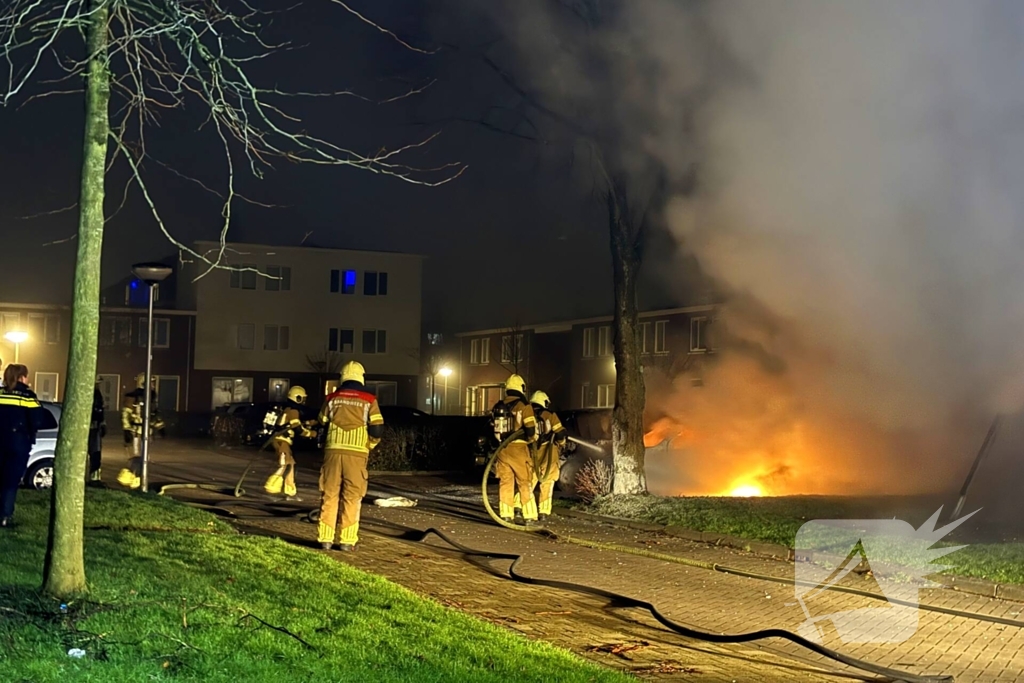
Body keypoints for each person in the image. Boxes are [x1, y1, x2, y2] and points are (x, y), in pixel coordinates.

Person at [316, 361, 384, 551]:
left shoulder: (332, 398)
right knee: (352, 497)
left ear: (342, 377)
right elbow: (377, 428)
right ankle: (346, 541)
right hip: (357, 453)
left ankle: (325, 540)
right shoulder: (369, 399)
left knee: (329, 494)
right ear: (361, 377)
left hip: (333, 452)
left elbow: (321, 421)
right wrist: (369, 444)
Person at [0, 364, 46, 527]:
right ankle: (5, 517)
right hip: (18, 443)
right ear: (21, 377)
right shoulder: (27, 396)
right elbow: (38, 420)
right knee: (11, 481)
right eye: (26, 376)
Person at [493, 374, 538, 525]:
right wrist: (532, 438)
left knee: (505, 482)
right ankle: (530, 516)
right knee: (525, 482)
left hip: (502, 450)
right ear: (521, 388)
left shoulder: (499, 405)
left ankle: (506, 515)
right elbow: (530, 430)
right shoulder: (524, 406)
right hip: (518, 448)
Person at [264, 386, 315, 500]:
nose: (303, 401)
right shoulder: (293, 410)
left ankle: (289, 492)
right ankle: (271, 489)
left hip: (283, 441)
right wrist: (312, 434)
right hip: (282, 441)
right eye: (302, 398)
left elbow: (293, 423)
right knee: (284, 465)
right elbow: (298, 429)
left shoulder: (288, 409)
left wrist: (308, 423)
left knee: (290, 464)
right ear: (297, 398)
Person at [117, 374, 163, 489]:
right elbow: (125, 414)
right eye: (151, 382)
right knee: (136, 457)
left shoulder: (152, 396)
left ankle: (139, 480)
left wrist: (160, 426)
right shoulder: (133, 396)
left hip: (147, 431)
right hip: (135, 431)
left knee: (144, 458)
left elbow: (154, 414)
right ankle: (132, 479)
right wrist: (126, 429)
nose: (153, 385)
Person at [529, 391, 567, 521]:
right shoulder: (550, 415)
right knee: (548, 482)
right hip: (549, 452)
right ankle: (543, 512)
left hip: (530, 452)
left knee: (527, 483)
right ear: (544, 402)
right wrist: (562, 443)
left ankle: (521, 509)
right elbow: (560, 434)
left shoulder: (527, 413)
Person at [88, 379, 106, 482]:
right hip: (92, 428)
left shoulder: (97, 394)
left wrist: (103, 424)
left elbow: (101, 412)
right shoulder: (93, 394)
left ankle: (94, 477)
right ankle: (93, 478)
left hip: (95, 427)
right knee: (95, 453)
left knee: (96, 454)